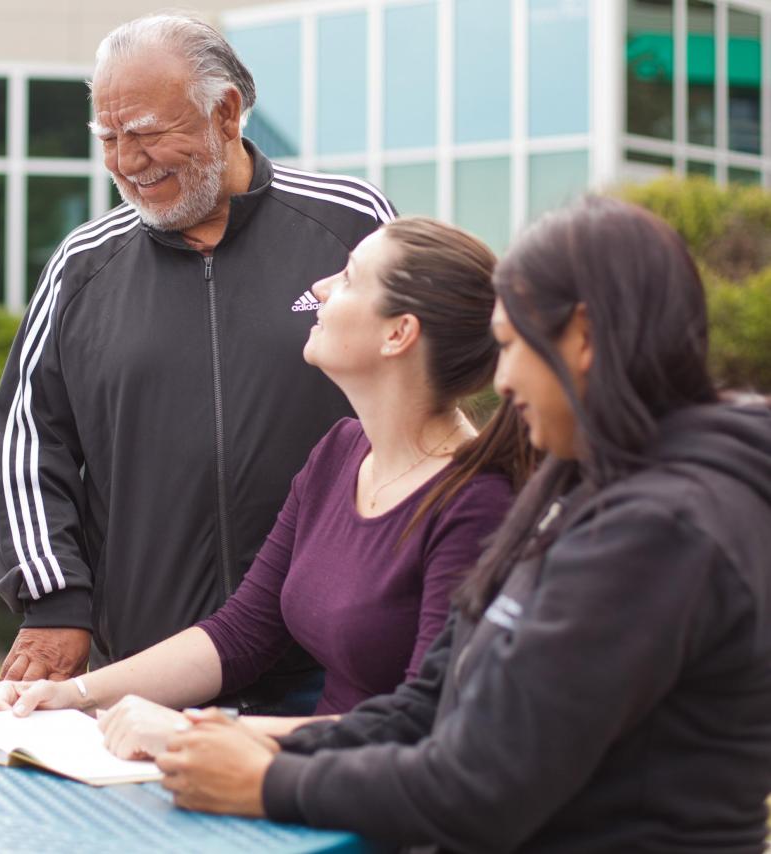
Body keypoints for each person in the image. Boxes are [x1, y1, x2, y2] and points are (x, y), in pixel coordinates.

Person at [151, 197, 771, 853]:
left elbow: (483, 788)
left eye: (511, 345)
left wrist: (269, 782)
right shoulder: (584, 484)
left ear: (582, 338)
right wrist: (256, 740)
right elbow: (429, 705)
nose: (499, 380)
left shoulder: (662, 529)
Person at [0, 218, 533, 757]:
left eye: (347, 278)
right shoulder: (339, 453)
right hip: (307, 791)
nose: (319, 287)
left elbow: (427, 719)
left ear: (399, 333)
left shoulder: (478, 501)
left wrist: (198, 733)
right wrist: (69, 694)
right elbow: (240, 634)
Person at [0, 13, 396, 713]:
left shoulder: (353, 225)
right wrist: (55, 598)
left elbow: (424, 395)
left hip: (334, 662)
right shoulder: (81, 267)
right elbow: (30, 440)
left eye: (147, 133)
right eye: (109, 139)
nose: (127, 161)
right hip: (148, 671)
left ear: (228, 113)